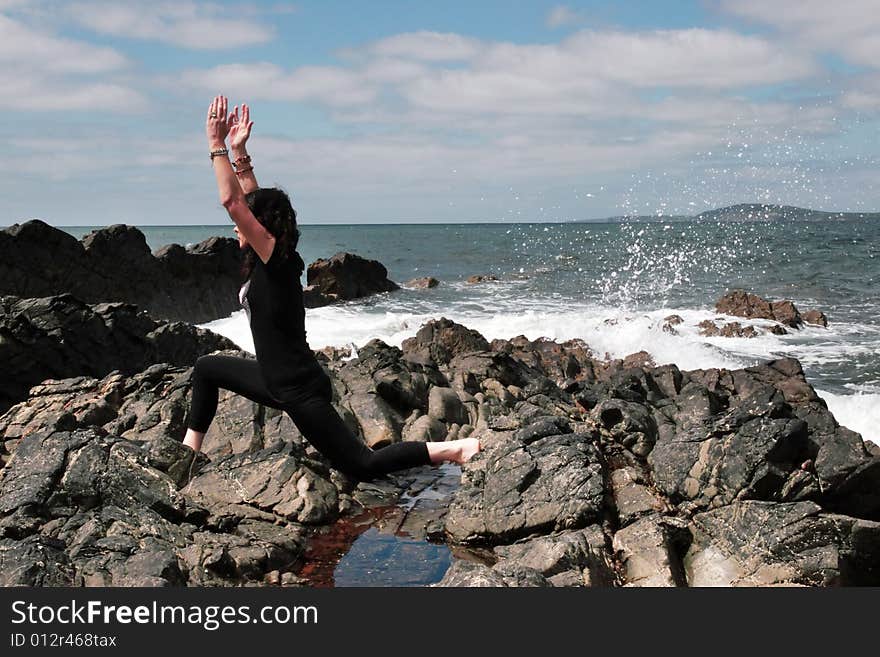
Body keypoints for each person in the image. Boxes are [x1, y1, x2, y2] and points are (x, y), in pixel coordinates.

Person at [182, 95, 480, 480]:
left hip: (297, 388)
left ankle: (455, 448)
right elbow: (251, 203)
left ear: (262, 227)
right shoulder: (272, 258)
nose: (236, 225)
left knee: (362, 465)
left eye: (248, 220)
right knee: (207, 368)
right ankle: (187, 457)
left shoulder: (277, 261)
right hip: (273, 380)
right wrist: (240, 153)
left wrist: (215, 145)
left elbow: (233, 203)